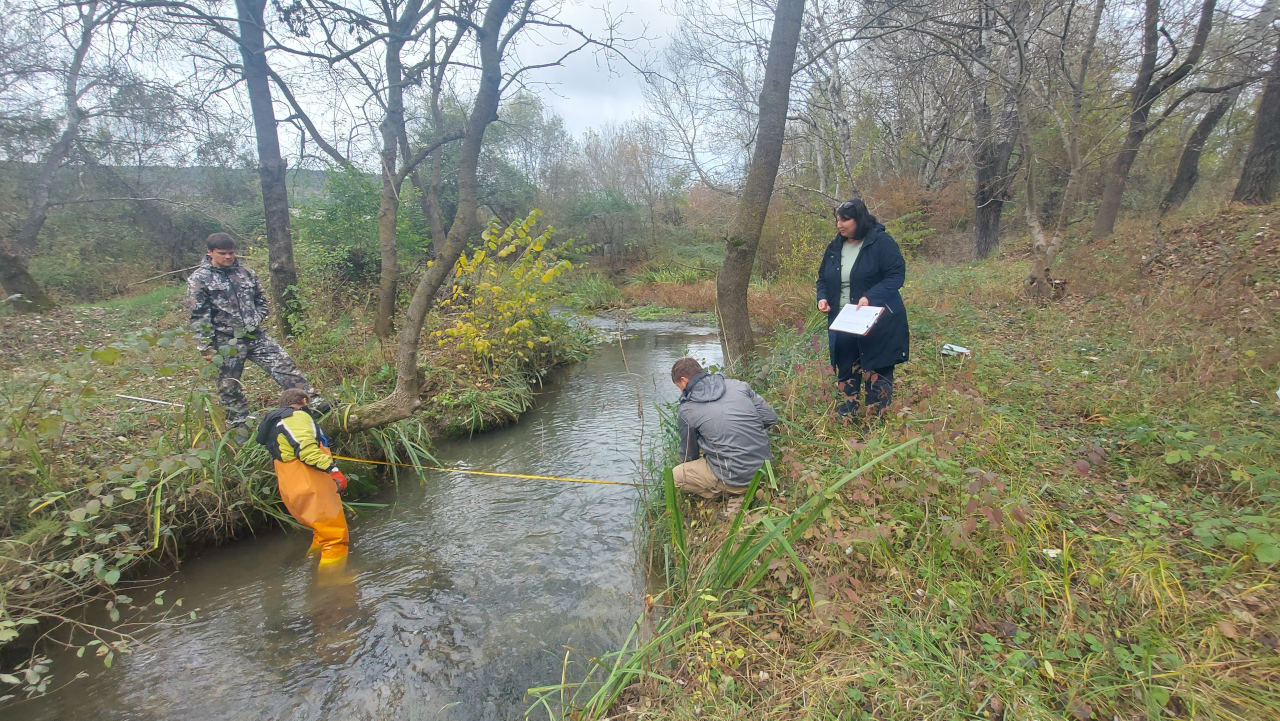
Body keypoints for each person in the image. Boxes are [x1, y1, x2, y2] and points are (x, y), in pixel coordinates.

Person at [186, 232, 327, 428]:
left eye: (231, 253)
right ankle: (238, 423)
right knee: (229, 384)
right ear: (210, 252)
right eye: (222, 253)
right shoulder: (199, 279)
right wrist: (206, 347)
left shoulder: (246, 273)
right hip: (227, 341)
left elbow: (261, 300)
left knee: (284, 364)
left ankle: (312, 402)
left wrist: (256, 319)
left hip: (255, 335)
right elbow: (199, 315)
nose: (228, 257)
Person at [815, 198, 910, 418]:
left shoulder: (881, 242)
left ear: (859, 219)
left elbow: (896, 276)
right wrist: (822, 298)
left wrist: (871, 297)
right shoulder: (835, 246)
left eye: (845, 220)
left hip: (876, 317)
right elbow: (822, 278)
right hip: (843, 319)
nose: (839, 224)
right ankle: (849, 410)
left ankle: (876, 415)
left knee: (877, 362)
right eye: (838, 219)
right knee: (847, 363)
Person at [256, 388, 350, 571]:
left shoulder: (275, 420)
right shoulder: (296, 418)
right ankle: (332, 585)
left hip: (290, 483)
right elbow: (306, 452)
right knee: (335, 537)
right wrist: (334, 470)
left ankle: (313, 565)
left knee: (321, 532)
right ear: (304, 401)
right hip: (310, 482)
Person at [670, 358, 777, 518]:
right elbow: (770, 417)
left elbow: (688, 456)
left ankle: (734, 493)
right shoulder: (738, 385)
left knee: (675, 476)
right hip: (765, 468)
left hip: (734, 477)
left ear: (684, 380)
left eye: (679, 386)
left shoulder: (687, 410)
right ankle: (750, 488)